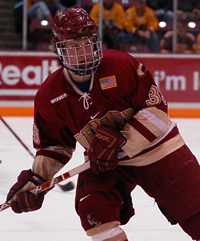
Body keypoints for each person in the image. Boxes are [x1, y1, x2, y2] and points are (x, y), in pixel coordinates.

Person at [6, 6, 200, 241]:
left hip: (159, 151)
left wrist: (121, 143)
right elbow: (54, 146)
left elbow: (156, 112)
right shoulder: (50, 95)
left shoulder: (121, 65)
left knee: (196, 212)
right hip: (106, 164)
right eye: (74, 47)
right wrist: (37, 180)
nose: (84, 52)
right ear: (59, 50)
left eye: (87, 43)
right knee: (94, 212)